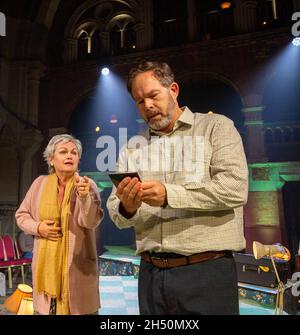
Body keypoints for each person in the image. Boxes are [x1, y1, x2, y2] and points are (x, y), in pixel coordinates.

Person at [107, 61, 248, 315]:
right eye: (139, 101)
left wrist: (168, 195)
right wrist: (127, 207)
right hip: (150, 275)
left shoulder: (216, 128)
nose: (147, 105)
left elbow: (234, 188)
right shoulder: (132, 148)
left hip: (206, 273)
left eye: (153, 95)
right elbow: (117, 214)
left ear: (173, 89)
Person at [15, 134, 103, 315]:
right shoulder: (39, 184)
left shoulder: (86, 184)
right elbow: (22, 215)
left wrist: (85, 197)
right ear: (51, 159)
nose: (70, 156)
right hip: (47, 275)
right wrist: (38, 228)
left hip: (77, 271)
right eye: (63, 152)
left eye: (74, 152)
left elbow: (91, 221)